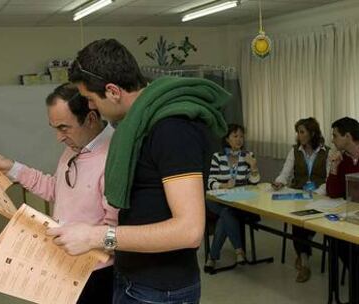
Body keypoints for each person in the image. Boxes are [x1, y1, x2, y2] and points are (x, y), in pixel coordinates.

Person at [46, 38, 231, 304]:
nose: (90, 107)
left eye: (89, 98)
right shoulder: (137, 124)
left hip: (160, 289)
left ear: (112, 91)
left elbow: (189, 230)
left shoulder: (172, 128)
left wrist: (95, 236)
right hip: (133, 276)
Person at [0, 83, 118, 304]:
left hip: (95, 272)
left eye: (64, 128)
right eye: (54, 128)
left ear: (91, 119)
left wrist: (88, 240)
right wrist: (13, 169)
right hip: (65, 262)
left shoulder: (113, 158)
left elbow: (116, 232)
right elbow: (57, 189)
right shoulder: (76, 146)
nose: (59, 137)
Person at [272, 117, 329, 283]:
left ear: (312, 133)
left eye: (302, 131)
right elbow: (286, 172)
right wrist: (279, 182)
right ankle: (305, 262)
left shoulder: (327, 151)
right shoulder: (295, 150)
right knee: (297, 223)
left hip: (319, 196)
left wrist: (317, 192)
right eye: (297, 132)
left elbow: (329, 179)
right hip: (298, 195)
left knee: (308, 223)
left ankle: (303, 247)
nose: (299, 135)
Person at [205, 124, 260, 270]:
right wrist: (223, 186)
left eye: (241, 136)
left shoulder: (248, 156)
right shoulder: (218, 157)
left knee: (227, 213)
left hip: (238, 200)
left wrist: (253, 166)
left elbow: (255, 183)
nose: (239, 139)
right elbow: (210, 182)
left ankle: (213, 257)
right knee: (225, 211)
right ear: (227, 139)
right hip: (216, 199)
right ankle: (239, 250)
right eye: (235, 136)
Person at [326, 117, 359, 267]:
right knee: (336, 238)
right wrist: (334, 167)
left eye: (335, 135)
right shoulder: (341, 158)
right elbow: (333, 193)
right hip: (350, 214)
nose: (332, 140)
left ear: (347, 136)